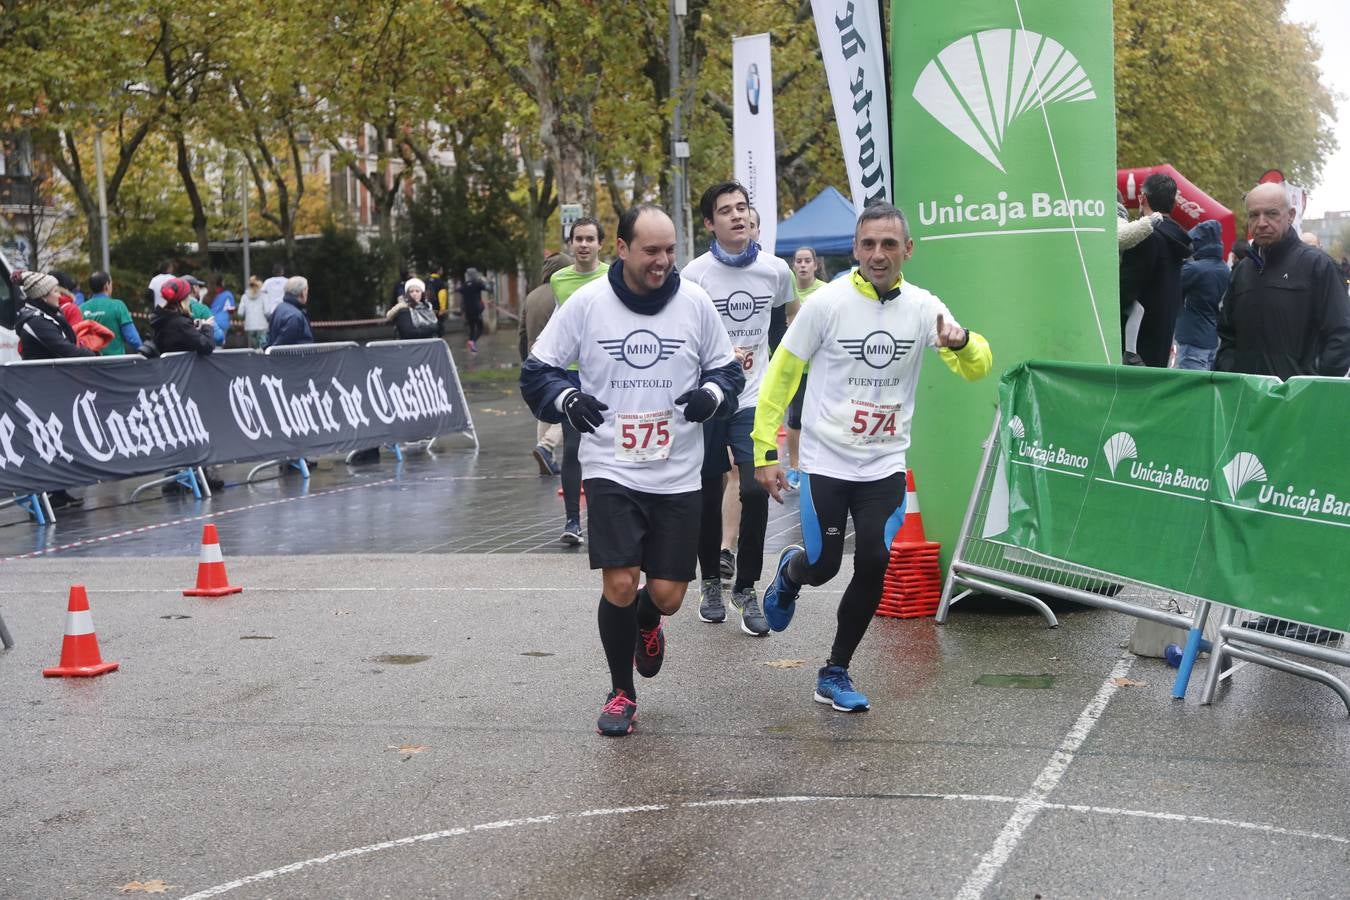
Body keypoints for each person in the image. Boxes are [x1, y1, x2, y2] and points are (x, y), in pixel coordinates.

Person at [753, 202, 992, 712]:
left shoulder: (925, 307)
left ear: (907, 250)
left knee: (876, 562)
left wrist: (964, 342)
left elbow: (976, 368)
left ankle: (834, 671)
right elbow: (781, 374)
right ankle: (792, 572)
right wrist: (764, 449)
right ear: (856, 248)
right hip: (826, 461)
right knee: (822, 566)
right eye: (868, 244)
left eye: (889, 244)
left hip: (883, 463)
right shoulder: (827, 303)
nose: (878, 255)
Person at [519, 204, 744, 737]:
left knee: (666, 596)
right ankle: (621, 691)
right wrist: (567, 399)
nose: (664, 261)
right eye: (652, 251)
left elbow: (727, 371)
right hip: (610, 466)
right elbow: (538, 372)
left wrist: (712, 396)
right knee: (619, 582)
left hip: (678, 472)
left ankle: (648, 621)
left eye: (670, 250)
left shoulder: (694, 302)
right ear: (621, 249)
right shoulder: (588, 304)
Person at [681, 180, 795, 636]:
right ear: (710, 222)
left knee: (753, 489)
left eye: (743, 208)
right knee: (710, 494)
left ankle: (746, 588)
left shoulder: (775, 270)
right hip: (709, 399)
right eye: (726, 210)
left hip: (754, 398)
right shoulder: (694, 275)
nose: (738, 216)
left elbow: (785, 325)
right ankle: (710, 580)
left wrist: (781, 377)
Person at [1215, 182, 1350, 380]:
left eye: (1271, 214)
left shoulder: (1318, 265)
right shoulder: (1242, 271)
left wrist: (1312, 385)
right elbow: (1227, 335)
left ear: (1291, 216)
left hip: (1299, 404)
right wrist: (1230, 376)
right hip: (1246, 400)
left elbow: (1341, 335)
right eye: (1254, 215)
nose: (1261, 223)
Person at [12, 269, 95, 510]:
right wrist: (90, 353)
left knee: (59, 439)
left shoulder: (47, 315)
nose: (59, 295)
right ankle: (47, 494)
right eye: (55, 291)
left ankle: (59, 490)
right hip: (42, 388)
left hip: (55, 385)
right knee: (47, 441)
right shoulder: (35, 321)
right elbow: (63, 349)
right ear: (42, 296)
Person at [549, 217, 609, 544]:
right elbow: (560, 319)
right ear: (571, 244)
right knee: (573, 446)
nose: (584, 245)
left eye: (589, 239)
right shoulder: (559, 279)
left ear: (600, 244)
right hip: (571, 372)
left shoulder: (614, 275)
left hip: (605, 372)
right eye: (578, 239)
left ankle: (606, 515)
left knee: (604, 445)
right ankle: (572, 521)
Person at [1119, 173, 1192, 367]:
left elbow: (1124, 292)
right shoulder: (1177, 240)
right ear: (1173, 203)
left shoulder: (1145, 238)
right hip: (1163, 336)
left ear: (1142, 198)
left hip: (1136, 349)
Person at [519, 252, 574, 476]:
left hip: (536, 356)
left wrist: (525, 359)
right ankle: (547, 446)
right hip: (562, 357)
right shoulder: (564, 293)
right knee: (568, 408)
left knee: (545, 407)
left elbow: (522, 332)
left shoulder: (531, 296)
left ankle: (545, 454)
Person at [783, 247, 828, 489]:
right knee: (795, 419)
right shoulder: (786, 292)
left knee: (821, 416)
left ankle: (819, 463)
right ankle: (794, 466)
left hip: (820, 367)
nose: (802, 265)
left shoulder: (824, 292)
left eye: (807, 261)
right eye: (798, 261)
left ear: (815, 265)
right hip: (795, 368)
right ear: (793, 265)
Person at [1173, 220, 1228, 371]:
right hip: (1212, 338)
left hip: (1192, 338)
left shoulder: (1194, 269)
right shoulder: (1225, 269)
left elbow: (1169, 284)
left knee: (1190, 388)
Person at [145, 275, 216, 356]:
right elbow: (207, 347)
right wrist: (207, 326)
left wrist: (193, 325)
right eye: (187, 296)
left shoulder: (160, 317)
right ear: (184, 298)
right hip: (181, 367)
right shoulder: (181, 324)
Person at [79, 271, 142, 356]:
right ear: (106, 286)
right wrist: (143, 351)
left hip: (91, 362)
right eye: (111, 283)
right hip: (115, 362)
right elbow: (132, 338)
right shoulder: (118, 306)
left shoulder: (81, 308)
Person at [267, 275, 314, 347]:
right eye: (307, 290)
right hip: (296, 357)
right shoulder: (295, 316)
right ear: (303, 292)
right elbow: (283, 346)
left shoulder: (279, 308)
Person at [459, 267, 491, 353]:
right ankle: (472, 342)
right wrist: (485, 281)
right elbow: (488, 288)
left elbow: (460, 291)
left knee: (472, 328)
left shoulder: (464, 285)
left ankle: (472, 344)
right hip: (476, 310)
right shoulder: (477, 283)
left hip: (468, 311)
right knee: (480, 328)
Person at [237, 276, 269, 348]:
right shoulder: (264, 296)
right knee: (262, 348)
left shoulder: (244, 296)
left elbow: (240, 313)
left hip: (249, 326)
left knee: (253, 349)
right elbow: (267, 311)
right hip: (262, 325)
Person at [208, 274, 236, 339]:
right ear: (222, 283)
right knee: (221, 343)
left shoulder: (208, 295)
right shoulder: (228, 294)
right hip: (223, 322)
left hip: (211, 322)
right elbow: (231, 310)